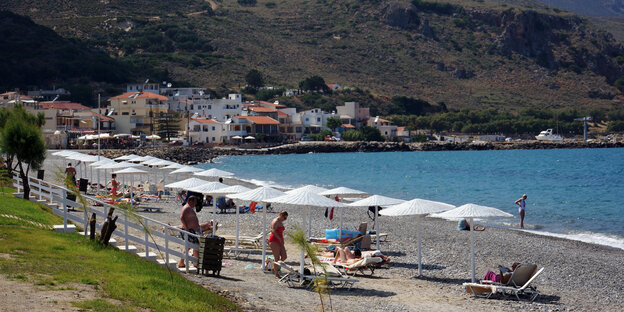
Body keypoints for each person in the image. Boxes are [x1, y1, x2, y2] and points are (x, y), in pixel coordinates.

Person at [269, 211, 288, 278]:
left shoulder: (280, 222)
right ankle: (276, 273)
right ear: (280, 215)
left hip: (280, 240)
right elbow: (272, 230)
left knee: (284, 256)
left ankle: (275, 266)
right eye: (284, 218)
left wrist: (282, 240)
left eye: (286, 218)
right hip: (274, 240)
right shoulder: (275, 221)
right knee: (276, 257)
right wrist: (279, 238)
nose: (284, 219)